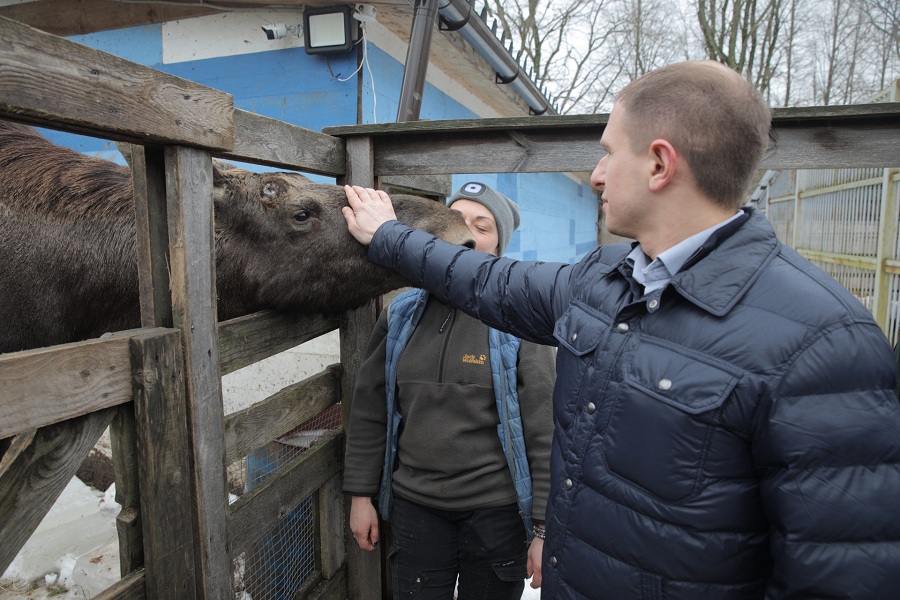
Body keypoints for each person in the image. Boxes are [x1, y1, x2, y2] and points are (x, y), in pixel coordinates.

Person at [341, 60, 900, 599]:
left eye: (608, 153)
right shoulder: (603, 283)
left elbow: (840, 575)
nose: (596, 175)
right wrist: (390, 236)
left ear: (659, 164)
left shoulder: (824, 343)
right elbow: (488, 281)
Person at [342, 182, 555, 599]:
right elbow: (370, 409)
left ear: (498, 245)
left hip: (496, 515)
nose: (467, 233)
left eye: (483, 225)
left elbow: (544, 428)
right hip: (416, 509)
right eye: (456, 221)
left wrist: (545, 527)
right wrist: (360, 496)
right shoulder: (401, 314)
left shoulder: (519, 320)